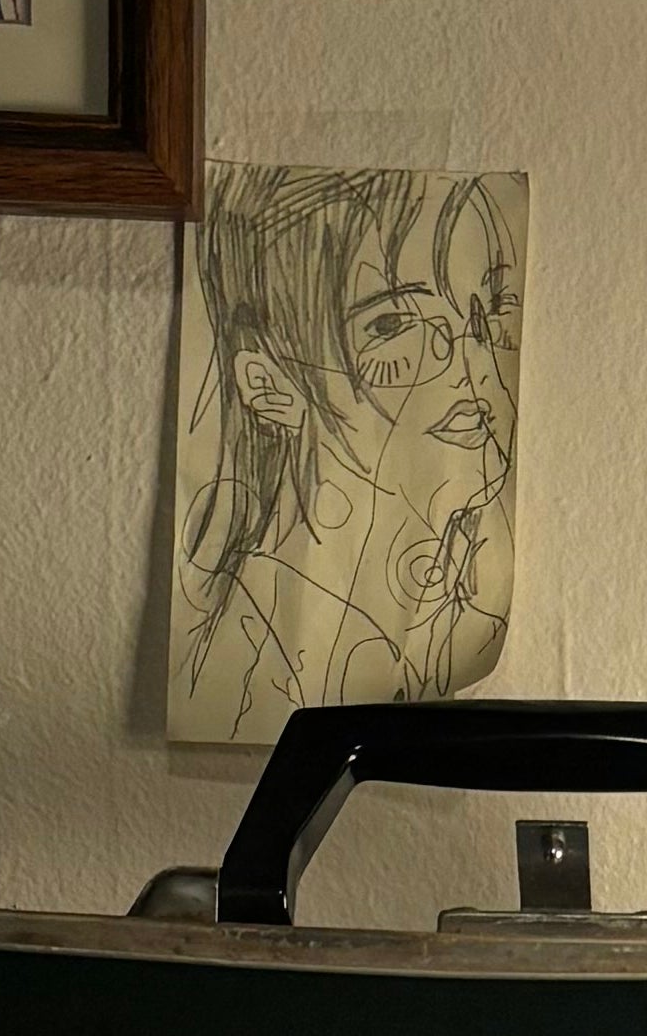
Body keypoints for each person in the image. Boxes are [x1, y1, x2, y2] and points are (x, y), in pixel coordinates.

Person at [172, 170, 520, 745]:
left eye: (487, 313)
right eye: (391, 324)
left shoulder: (456, 616)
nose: (467, 360)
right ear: (268, 383)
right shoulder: (260, 659)